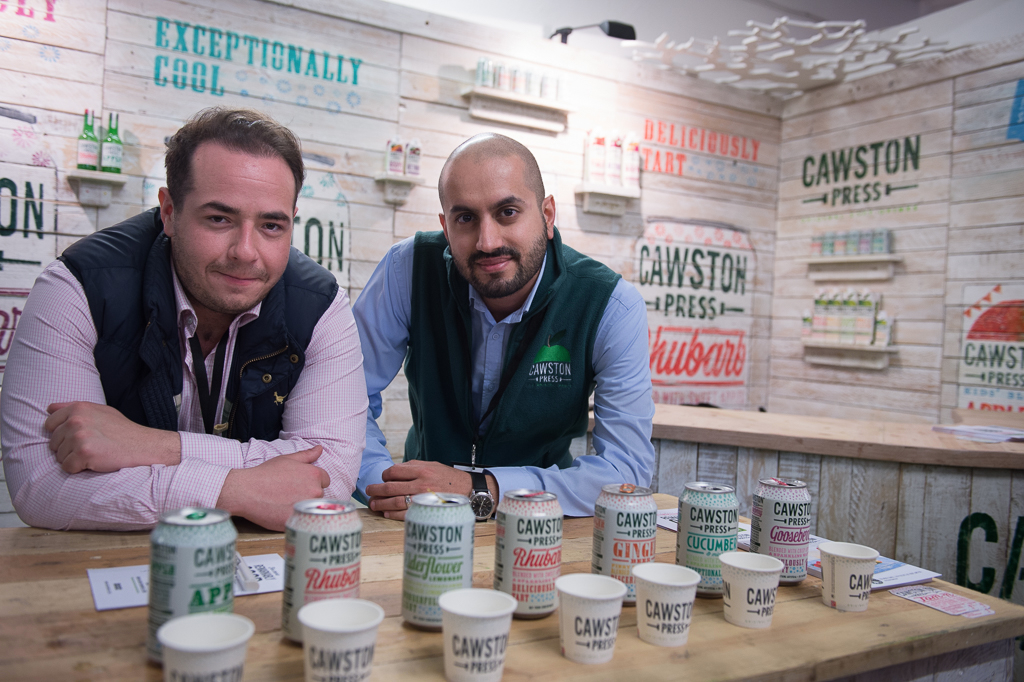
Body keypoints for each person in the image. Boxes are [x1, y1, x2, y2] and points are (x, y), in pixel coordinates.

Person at [1, 108, 367, 531]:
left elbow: (331, 477)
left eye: (271, 226)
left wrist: (149, 445)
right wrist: (234, 491)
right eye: (219, 219)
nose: (245, 252)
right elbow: (43, 487)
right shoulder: (78, 286)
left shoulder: (320, 306)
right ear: (169, 211)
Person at [354, 133, 654, 521]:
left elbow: (627, 472)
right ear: (446, 227)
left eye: (507, 212)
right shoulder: (407, 269)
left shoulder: (609, 304)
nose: (487, 241)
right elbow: (343, 401)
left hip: (543, 524)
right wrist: (385, 485)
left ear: (547, 215)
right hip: (422, 519)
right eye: (465, 218)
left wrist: (483, 489)